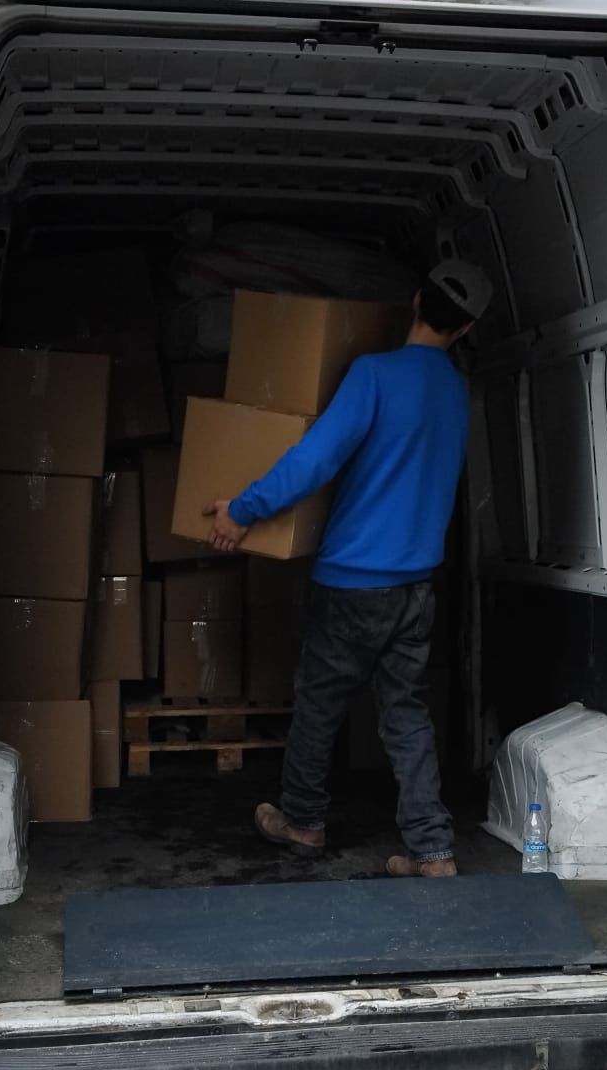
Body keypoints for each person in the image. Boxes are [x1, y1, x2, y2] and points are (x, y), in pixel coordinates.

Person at [203, 259, 492, 879]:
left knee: (318, 705)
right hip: (416, 588)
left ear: (416, 301)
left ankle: (303, 821)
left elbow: (314, 460)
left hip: (354, 581)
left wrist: (243, 511)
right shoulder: (455, 390)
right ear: (465, 329)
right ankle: (433, 850)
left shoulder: (374, 375)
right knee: (406, 715)